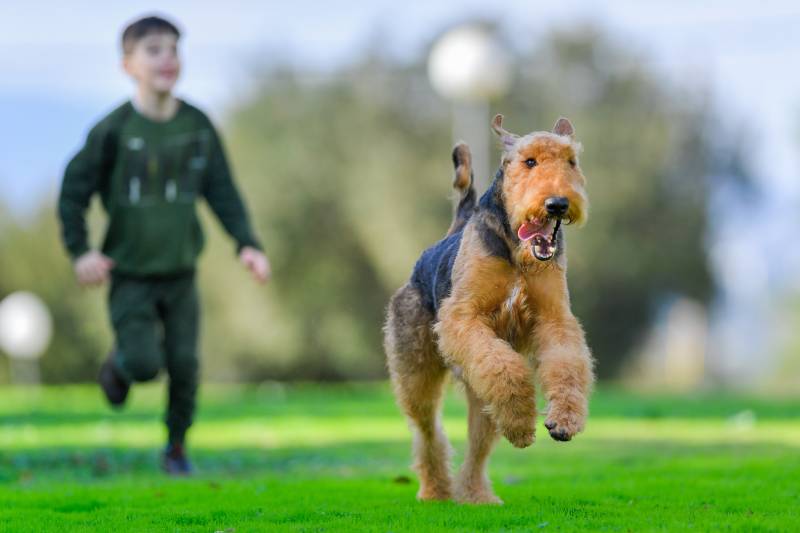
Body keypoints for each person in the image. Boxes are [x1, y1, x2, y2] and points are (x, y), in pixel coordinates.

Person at [57, 15, 270, 475]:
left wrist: (246, 244)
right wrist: (81, 252)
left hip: (180, 272)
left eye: (174, 49)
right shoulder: (112, 130)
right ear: (127, 64)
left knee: (186, 364)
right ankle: (118, 365)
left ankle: (176, 448)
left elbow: (222, 191)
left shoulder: (196, 125)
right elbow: (73, 191)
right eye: (154, 50)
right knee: (144, 363)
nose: (168, 59)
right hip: (129, 272)